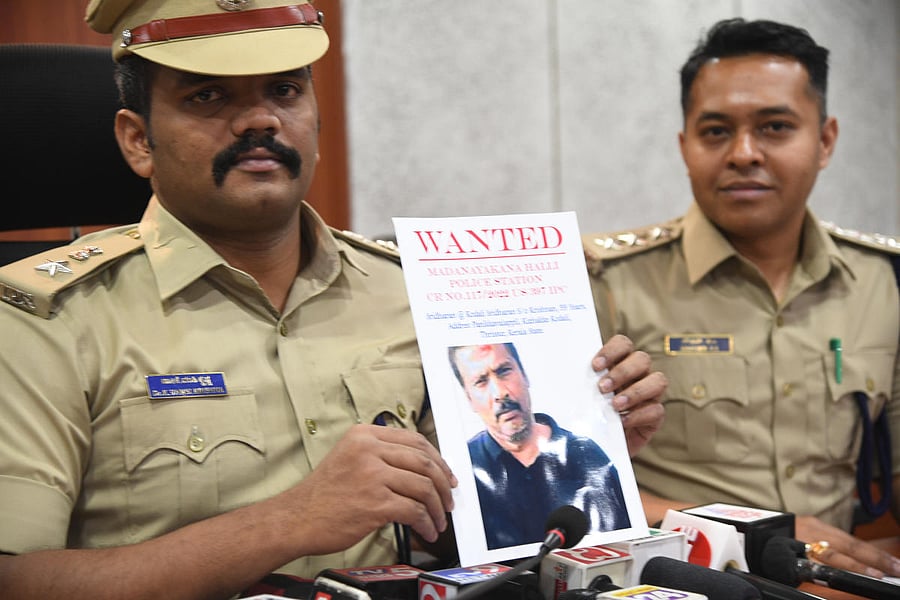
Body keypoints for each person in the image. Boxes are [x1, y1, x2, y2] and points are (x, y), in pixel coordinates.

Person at [0, 1, 668, 598]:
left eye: (285, 90)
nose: (260, 119)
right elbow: (16, 579)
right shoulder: (48, 322)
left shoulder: (414, 289)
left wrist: (584, 443)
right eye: (208, 97)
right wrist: (287, 521)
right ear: (138, 140)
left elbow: (467, 539)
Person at [584, 17, 900, 579]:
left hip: (832, 584)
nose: (743, 153)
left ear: (824, 141)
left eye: (775, 127)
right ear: (685, 146)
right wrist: (759, 533)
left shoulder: (882, 282)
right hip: (674, 583)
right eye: (715, 132)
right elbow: (567, 488)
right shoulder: (608, 282)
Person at [449, 342, 631, 549]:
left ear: (524, 375)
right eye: (481, 381)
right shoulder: (463, 470)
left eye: (504, 371)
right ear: (469, 399)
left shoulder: (588, 455)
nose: (500, 392)